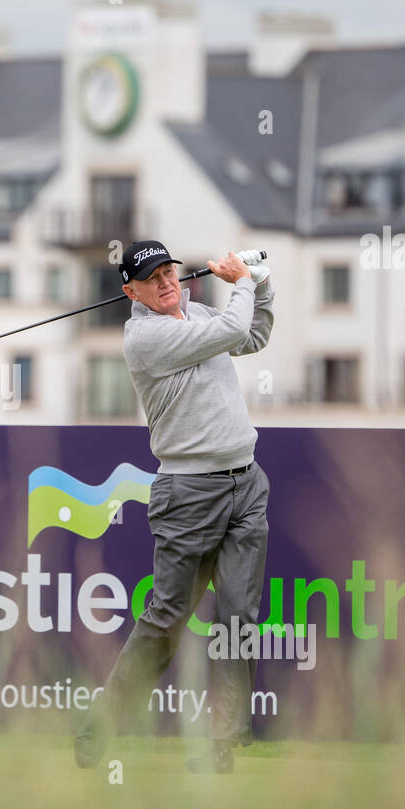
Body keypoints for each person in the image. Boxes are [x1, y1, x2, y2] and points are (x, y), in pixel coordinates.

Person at [74, 241, 275, 774]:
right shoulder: (145, 337)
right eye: (153, 278)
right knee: (167, 619)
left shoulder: (200, 313)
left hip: (246, 484)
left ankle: (220, 745)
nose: (166, 283)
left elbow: (252, 333)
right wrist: (243, 283)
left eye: (170, 272)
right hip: (188, 495)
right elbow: (234, 328)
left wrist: (261, 280)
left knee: (238, 619)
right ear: (130, 292)